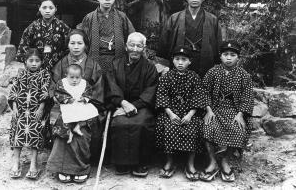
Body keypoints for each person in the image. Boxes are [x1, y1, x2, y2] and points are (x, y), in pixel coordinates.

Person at [46, 29, 104, 184]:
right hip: (64, 105)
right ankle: (62, 168)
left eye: (80, 43)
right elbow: (53, 87)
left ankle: (80, 169)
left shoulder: (93, 65)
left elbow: (98, 91)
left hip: (86, 106)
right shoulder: (62, 64)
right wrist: (62, 100)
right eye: (72, 43)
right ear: (68, 45)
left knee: (82, 130)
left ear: (85, 45)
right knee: (62, 125)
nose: (76, 46)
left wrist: (85, 100)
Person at [106, 32, 159, 177]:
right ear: (126, 46)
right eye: (132, 45)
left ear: (144, 48)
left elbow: (151, 91)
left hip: (142, 106)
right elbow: (111, 86)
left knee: (141, 123)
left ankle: (141, 163)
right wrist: (123, 104)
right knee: (119, 123)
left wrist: (133, 106)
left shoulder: (150, 68)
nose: (135, 49)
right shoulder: (116, 64)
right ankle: (122, 163)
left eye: (139, 46)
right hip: (120, 104)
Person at [201, 40, 254, 182]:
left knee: (238, 129)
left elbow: (247, 96)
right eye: (225, 54)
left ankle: (224, 160)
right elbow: (204, 92)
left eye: (232, 55)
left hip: (234, 110)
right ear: (220, 56)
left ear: (238, 58)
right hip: (215, 109)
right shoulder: (213, 72)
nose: (229, 58)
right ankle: (212, 162)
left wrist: (241, 114)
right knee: (207, 127)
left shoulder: (244, 75)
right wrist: (208, 110)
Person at [155, 46, 208, 180]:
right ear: (172, 60)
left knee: (194, 127)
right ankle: (170, 161)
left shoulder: (194, 77)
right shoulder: (167, 77)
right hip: (170, 112)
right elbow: (162, 96)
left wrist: (190, 115)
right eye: (177, 59)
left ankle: (190, 163)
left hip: (189, 113)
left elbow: (198, 97)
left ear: (189, 62)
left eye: (184, 59)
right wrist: (171, 114)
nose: (180, 62)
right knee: (167, 126)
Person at [158, 0, 222, 77]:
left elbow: (218, 47)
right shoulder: (174, 18)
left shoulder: (212, 20)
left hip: (204, 66)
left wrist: (217, 68)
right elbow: (164, 44)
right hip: (180, 63)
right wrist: (164, 65)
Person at [8, 48, 51, 180]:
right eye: (30, 60)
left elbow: (45, 92)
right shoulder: (21, 74)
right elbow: (14, 90)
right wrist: (14, 107)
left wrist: (41, 108)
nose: (34, 63)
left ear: (41, 62)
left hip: (36, 110)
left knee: (35, 130)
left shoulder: (44, 75)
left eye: (37, 61)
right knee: (18, 130)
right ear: (25, 61)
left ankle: (33, 163)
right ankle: (16, 161)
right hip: (21, 110)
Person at [78, 0, 135, 73]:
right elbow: (81, 40)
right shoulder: (89, 18)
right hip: (96, 59)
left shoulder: (121, 17)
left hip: (118, 60)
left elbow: (133, 37)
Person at [16, 0, 71, 72]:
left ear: (56, 8)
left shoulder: (63, 27)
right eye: (44, 7)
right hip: (36, 71)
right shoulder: (32, 27)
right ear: (39, 8)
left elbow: (70, 49)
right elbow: (22, 50)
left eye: (51, 7)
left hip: (58, 70)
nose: (47, 11)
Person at [54, 64, 100, 144]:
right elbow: (58, 93)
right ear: (66, 75)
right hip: (68, 105)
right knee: (63, 118)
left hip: (80, 104)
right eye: (71, 77)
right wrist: (67, 99)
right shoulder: (62, 83)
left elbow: (89, 92)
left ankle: (78, 126)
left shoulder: (84, 83)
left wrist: (84, 98)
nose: (74, 80)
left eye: (77, 77)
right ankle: (68, 133)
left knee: (92, 114)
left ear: (82, 76)